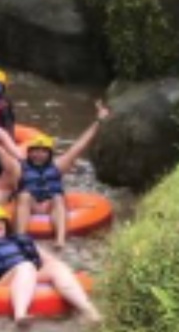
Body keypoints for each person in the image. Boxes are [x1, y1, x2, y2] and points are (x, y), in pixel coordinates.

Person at [14, 103, 111, 247]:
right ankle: (20, 238)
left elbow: (79, 146)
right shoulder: (20, 167)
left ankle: (60, 240)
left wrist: (98, 121)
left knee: (58, 197)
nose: (38, 154)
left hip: (50, 205)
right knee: (24, 195)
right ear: (29, 152)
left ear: (49, 154)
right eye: (35, 150)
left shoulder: (59, 165)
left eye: (43, 151)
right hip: (31, 205)